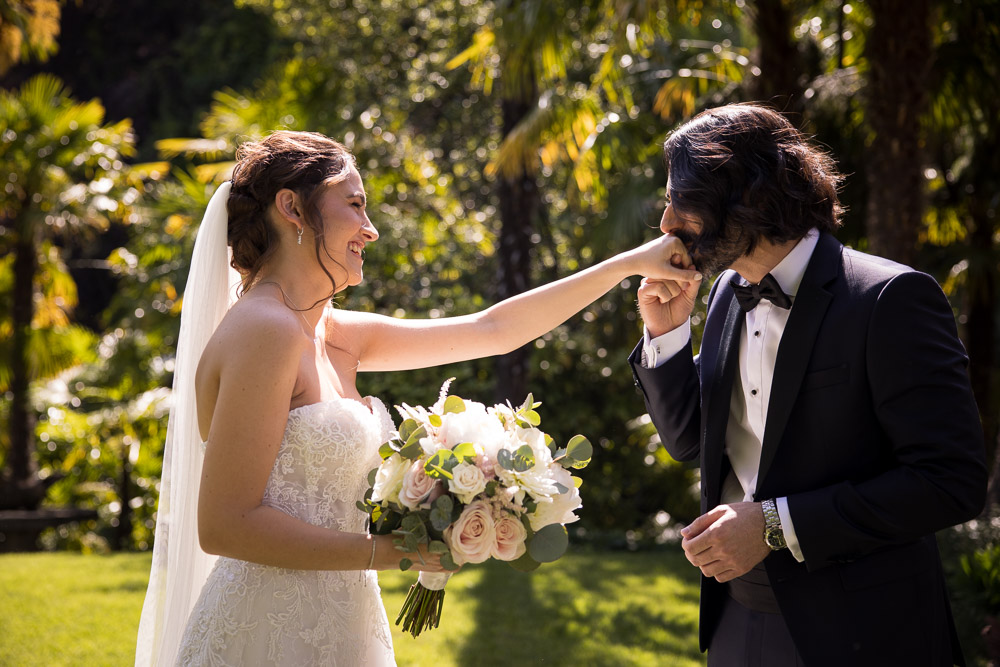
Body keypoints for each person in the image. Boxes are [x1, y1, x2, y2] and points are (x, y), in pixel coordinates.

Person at [134, 130, 701, 666]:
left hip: (341, 619)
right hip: (265, 633)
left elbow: (491, 330)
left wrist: (631, 264)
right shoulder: (266, 330)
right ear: (291, 207)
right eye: (354, 205)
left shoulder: (329, 331)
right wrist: (390, 552)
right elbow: (227, 525)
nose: (371, 228)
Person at [628, 103, 987, 666]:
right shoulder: (725, 292)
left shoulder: (890, 300)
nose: (667, 220)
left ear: (746, 195)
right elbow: (692, 444)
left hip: (861, 633)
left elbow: (952, 480)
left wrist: (774, 526)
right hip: (734, 621)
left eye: (680, 197)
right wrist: (666, 336)